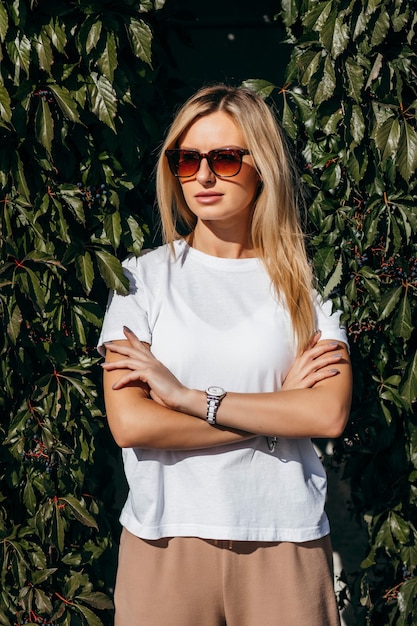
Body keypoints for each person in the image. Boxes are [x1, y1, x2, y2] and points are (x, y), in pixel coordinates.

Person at [98, 84, 352, 626]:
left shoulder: (307, 283)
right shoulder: (141, 280)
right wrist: (278, 409)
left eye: (226, 158)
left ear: (262, 166)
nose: (205, 177)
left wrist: (189, 399)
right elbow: (131, 422)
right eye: (188, 160)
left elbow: (326, 413)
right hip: (165, 540)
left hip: (284, 537)